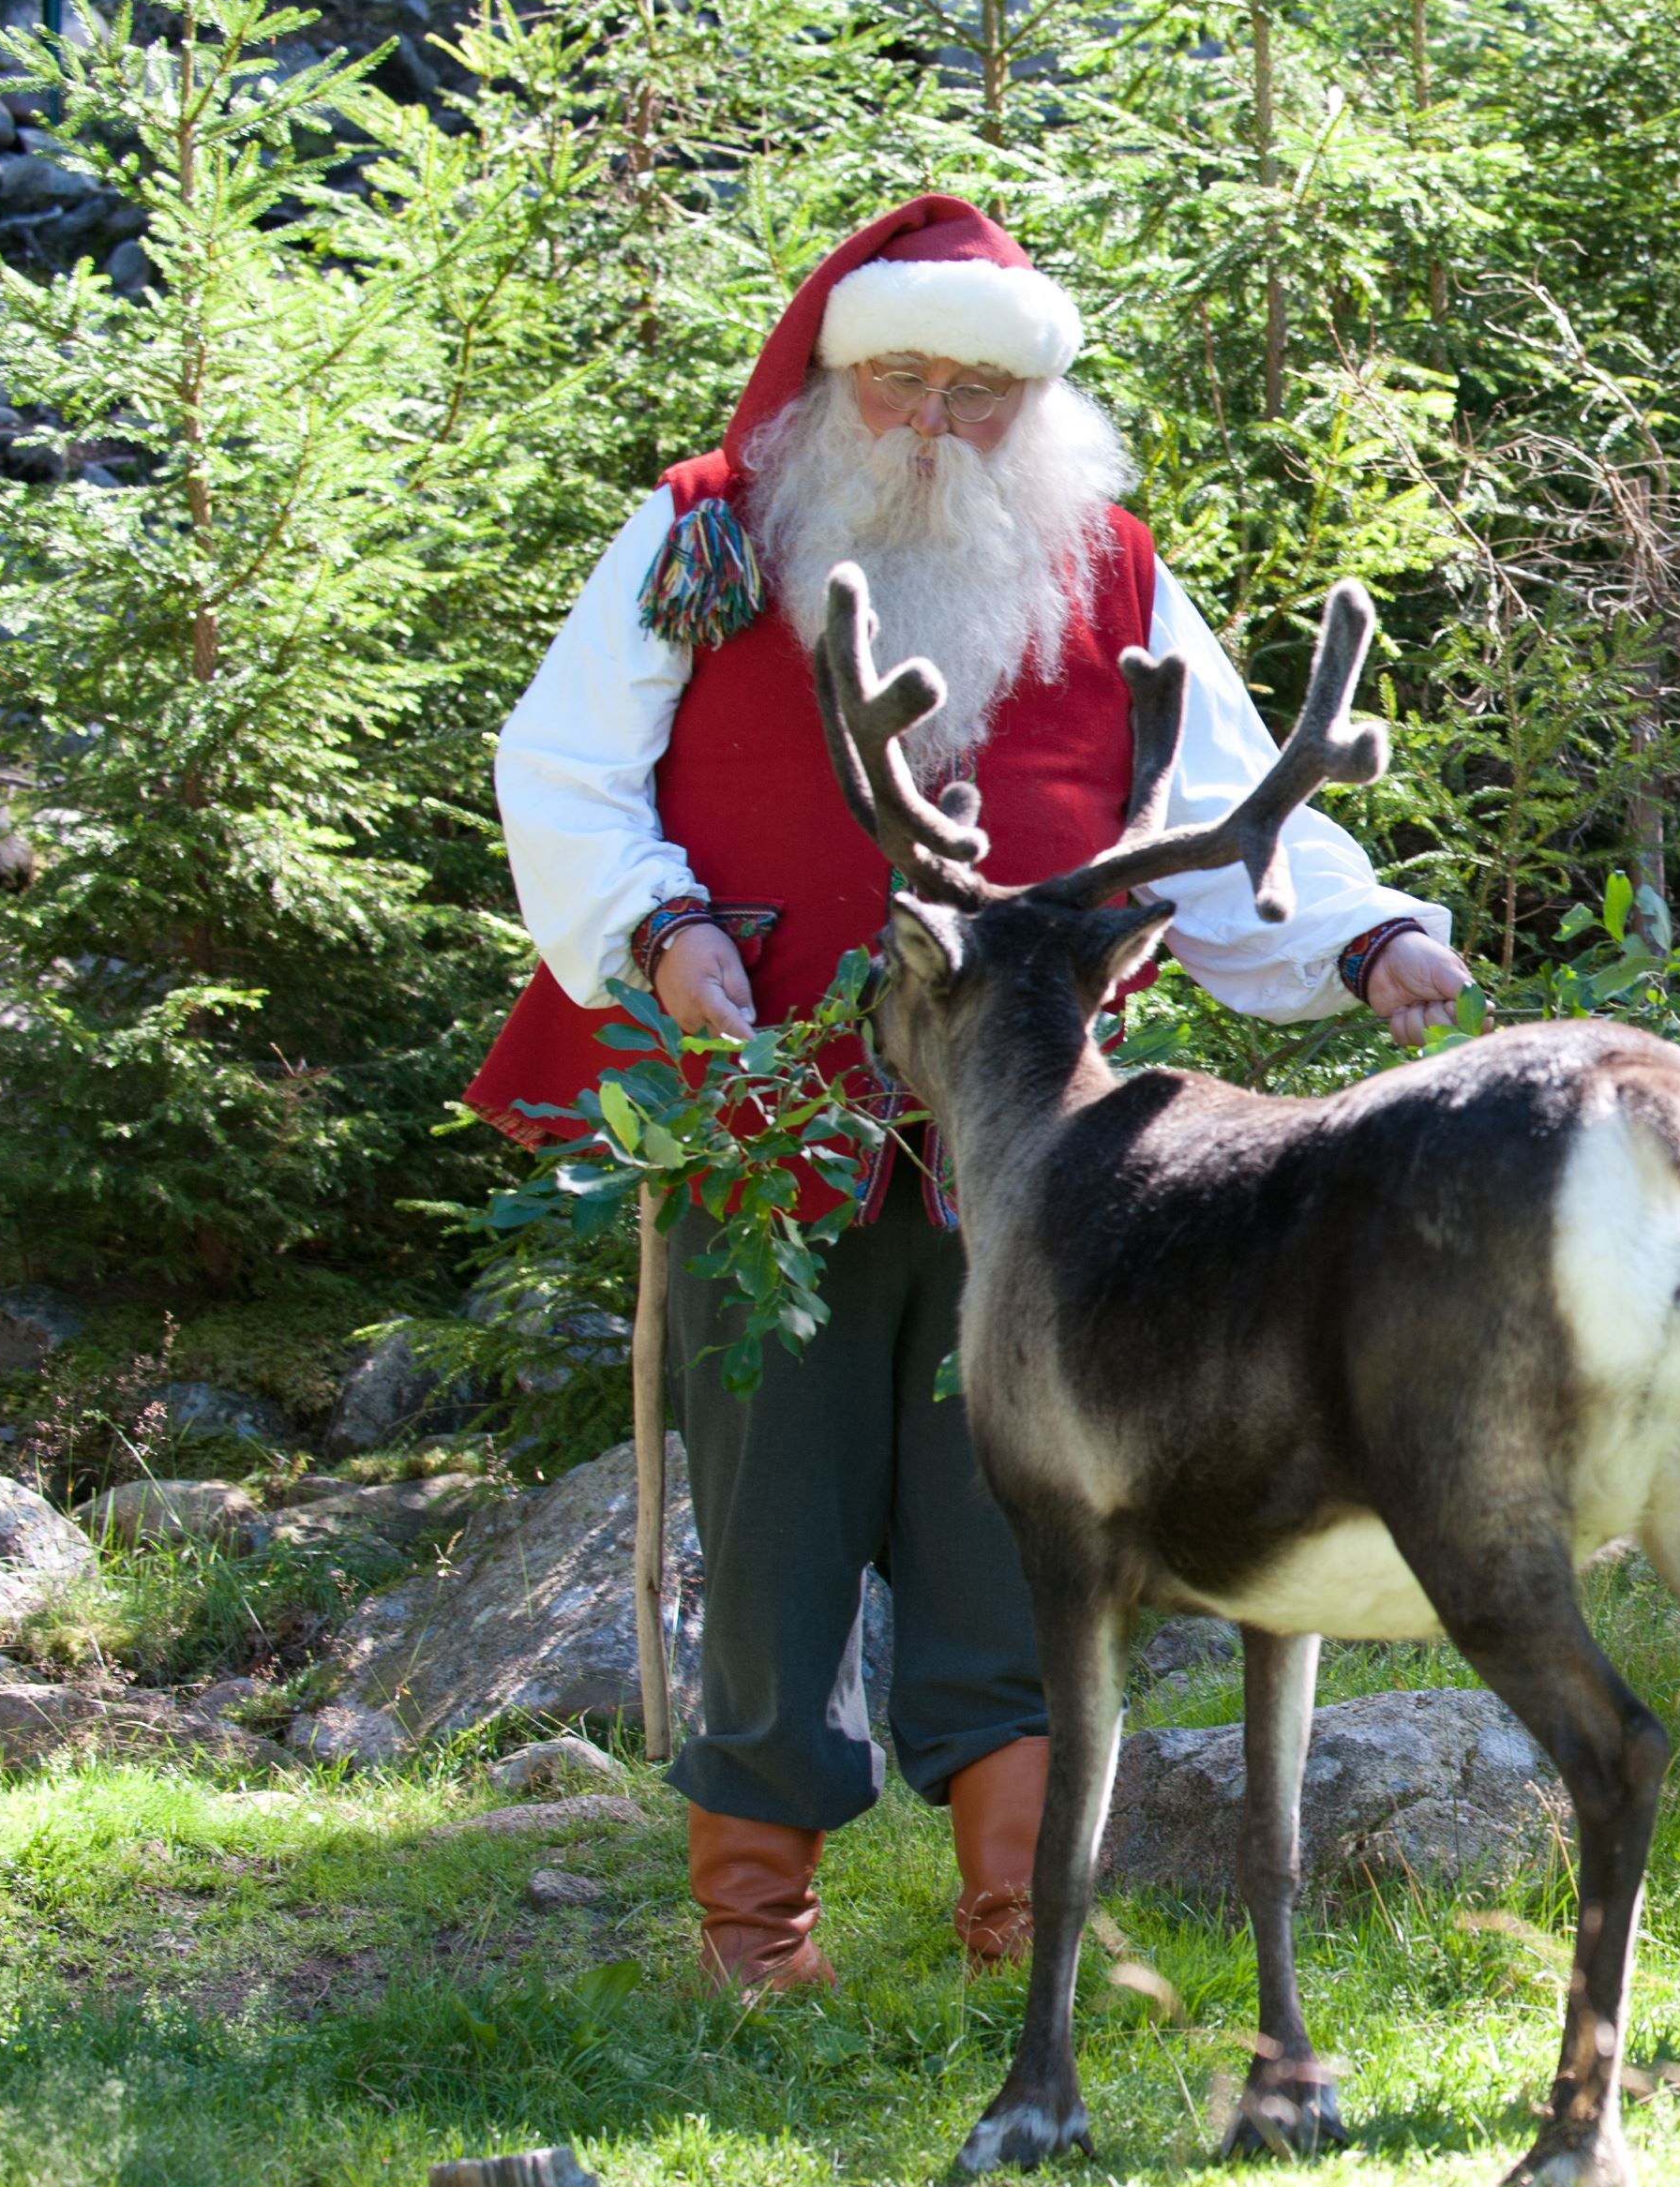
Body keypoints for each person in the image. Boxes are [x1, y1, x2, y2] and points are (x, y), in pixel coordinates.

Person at [467, 196, 1467, 1992]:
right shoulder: (703, 542)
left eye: (978, 392)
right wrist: (658, 929)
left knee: (1020, 1506)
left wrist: (1370, 933)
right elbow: (562, 769)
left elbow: (1227, 817)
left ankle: (1017, 1906)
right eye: (900, 380)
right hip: (768, 1113)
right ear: (836, 384)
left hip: (1042, 1157)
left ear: (1042, 410)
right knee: (772, 1513)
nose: (933, 423)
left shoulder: (1112, 574)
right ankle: (753, 1928)